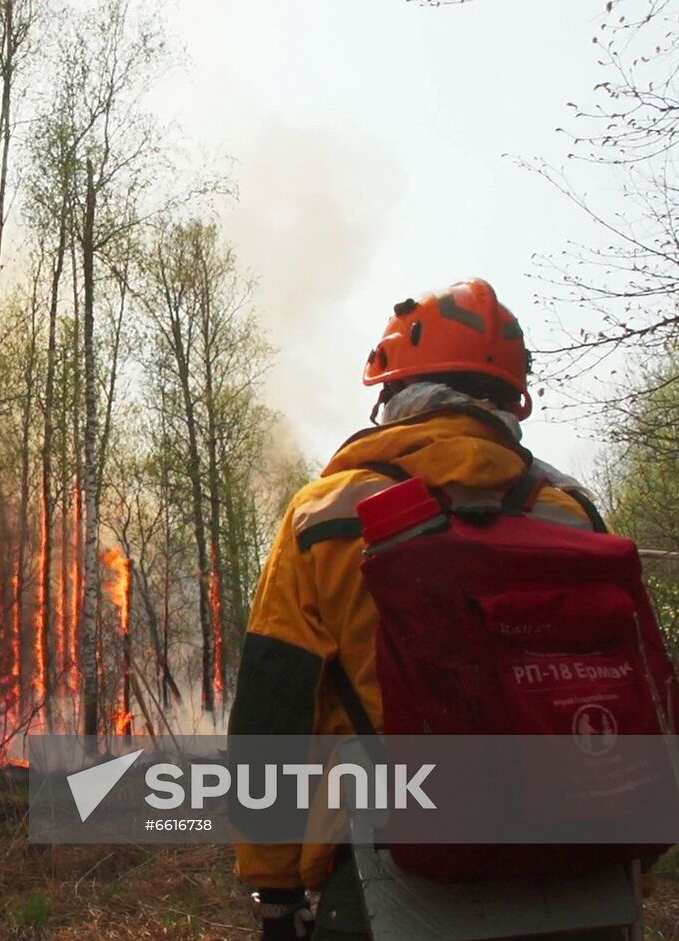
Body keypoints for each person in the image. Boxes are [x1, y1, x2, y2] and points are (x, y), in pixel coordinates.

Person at [227, 278, 614, 941]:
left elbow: (274, 703)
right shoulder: (572, 514)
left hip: (386, 879)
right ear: (511, 402)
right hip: (580, 877)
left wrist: (276, 889)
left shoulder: (325, 512)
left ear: (392, 394)